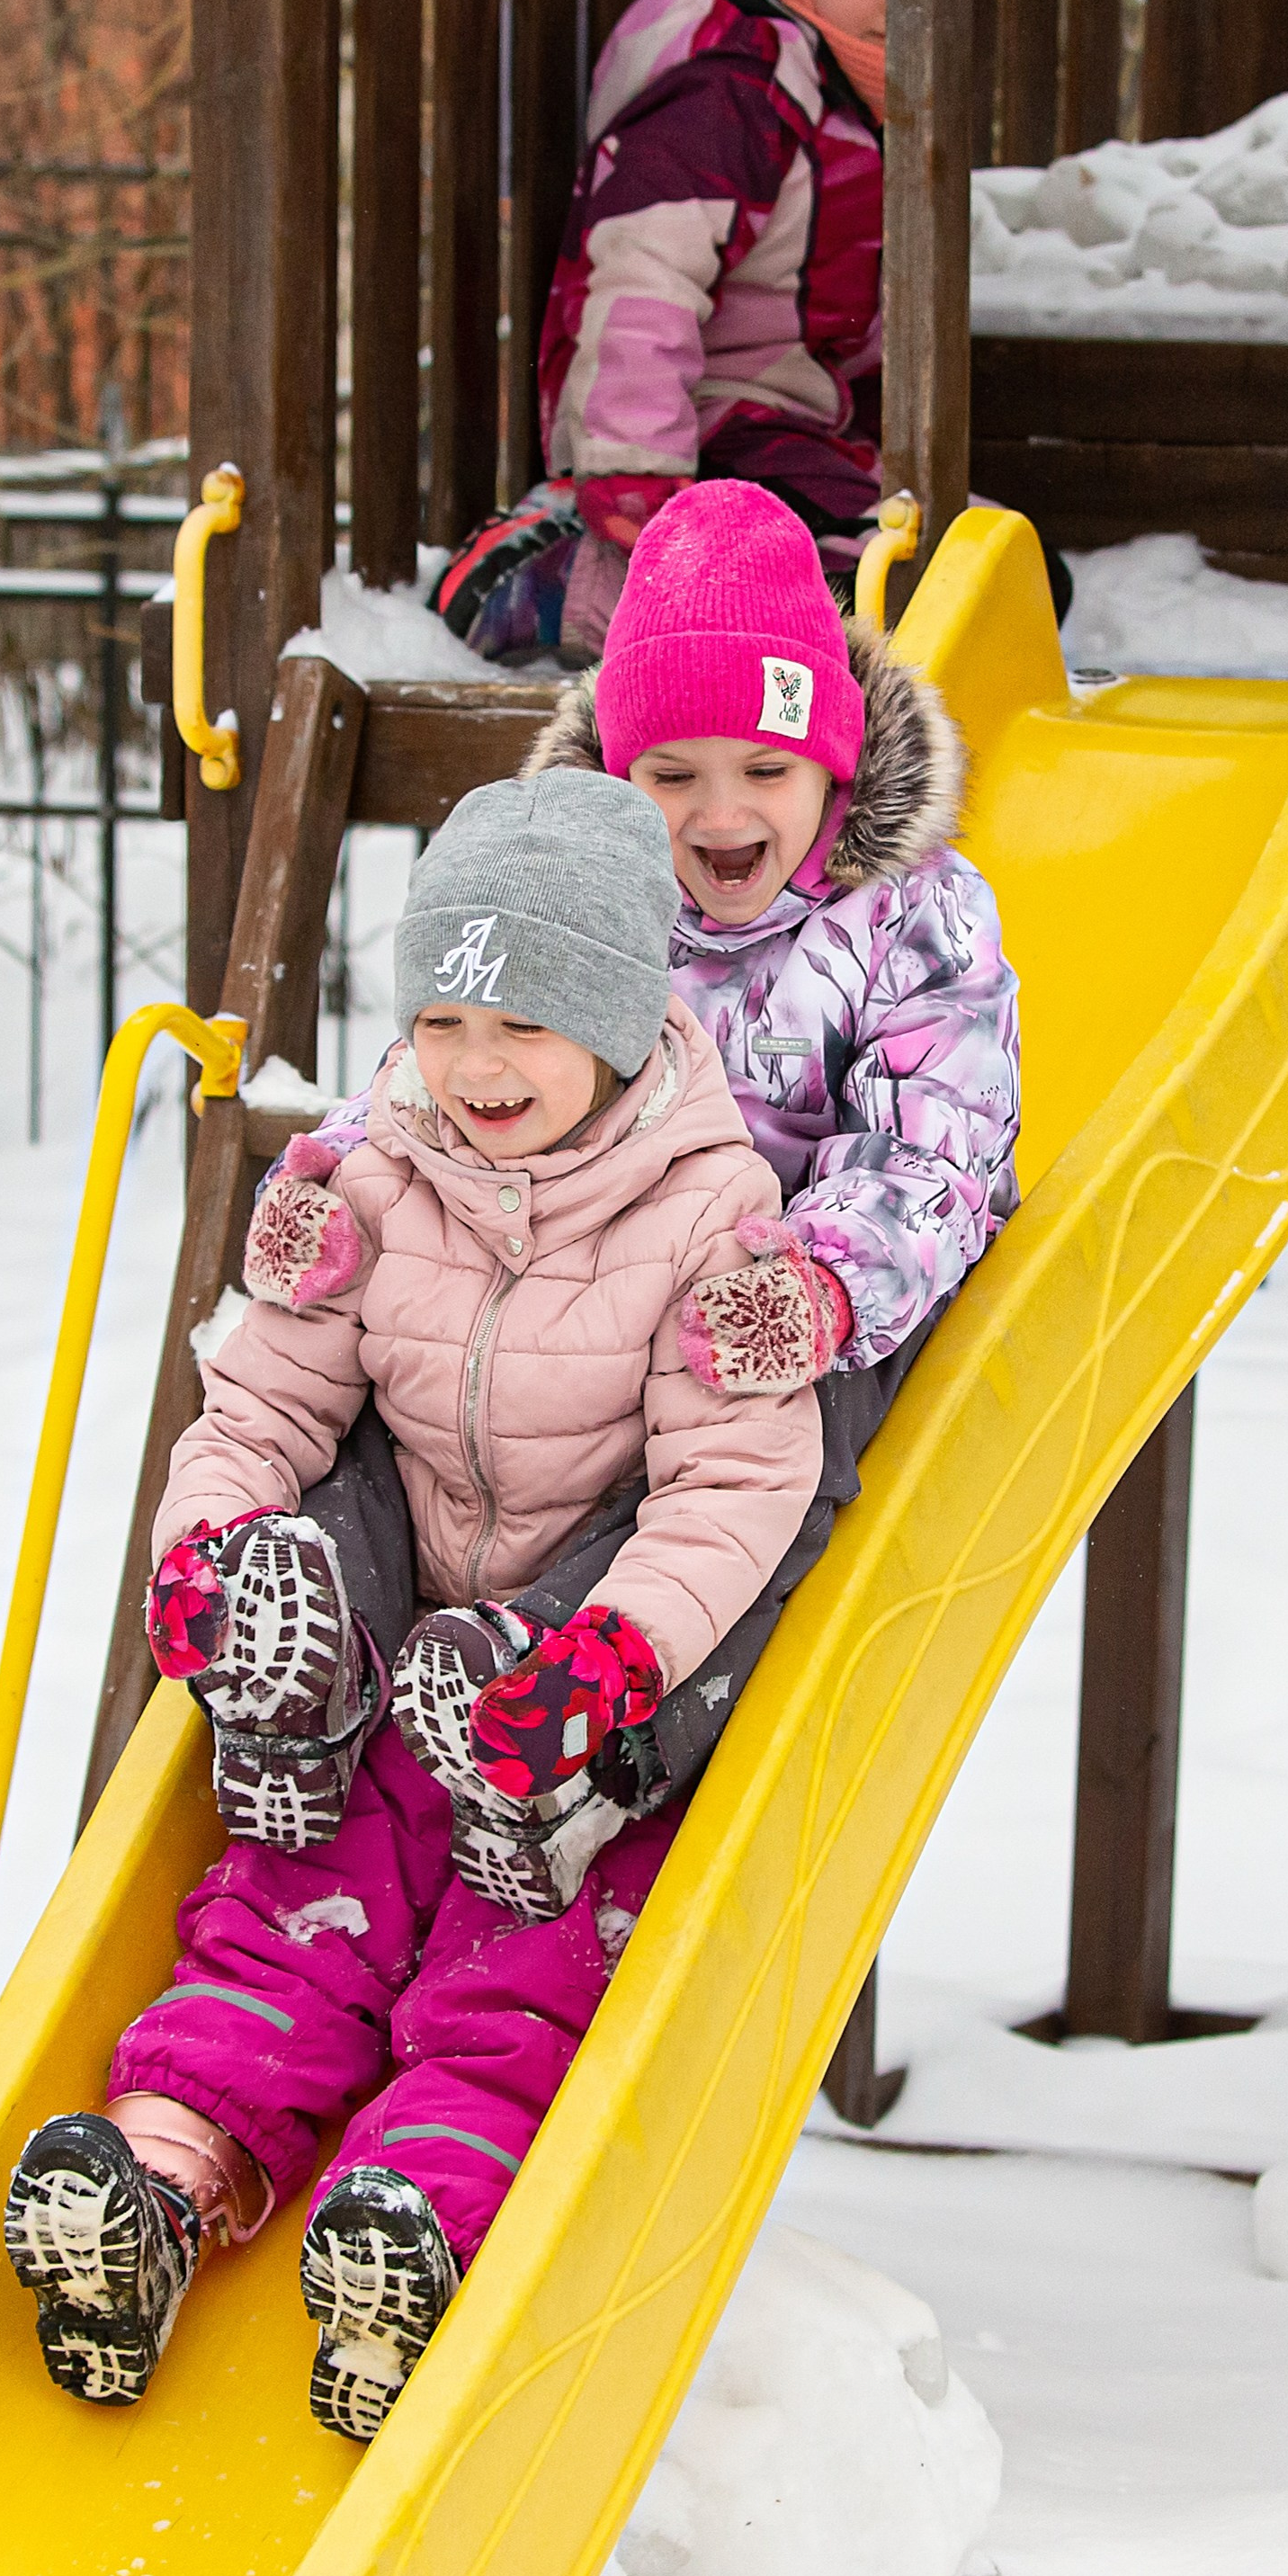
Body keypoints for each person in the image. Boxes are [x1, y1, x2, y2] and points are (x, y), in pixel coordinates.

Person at [4, 772, 824, 2440]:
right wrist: (205, 1535)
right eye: (441, 1014)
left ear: (610, 1009)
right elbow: (260, 1407)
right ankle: (159, 2183)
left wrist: (612, 1656)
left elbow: (735, 1485)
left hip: (572, 1713)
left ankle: (404, 2247)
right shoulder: (370, 1176)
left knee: (516, 1969)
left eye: (521, 1015)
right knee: (287, 1901)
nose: (473, 1063)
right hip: (395, 1681)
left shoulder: (711, 1214)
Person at [319, 478, 1021, 1784]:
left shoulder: (908, 915)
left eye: (764, 769)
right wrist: (347, 1165)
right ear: (614, 772)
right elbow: (463, 1050)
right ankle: (323, 1649)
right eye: (669, 775)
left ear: (830, 757)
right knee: (384, 1351)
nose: (716, 815)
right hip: (592, 1252)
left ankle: (574, 1681)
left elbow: (943, 1147)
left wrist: (812, 1282)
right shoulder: (589, 893)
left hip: (792, 1289)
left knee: (758, 1438)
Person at [434, 0, 908, 663]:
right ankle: (572, 581)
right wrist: (635, 469)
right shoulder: (730, 92)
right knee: (863, 591)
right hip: (702, 434)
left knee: (976, 571)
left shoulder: (837, 77)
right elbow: (643, 275)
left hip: (795, 430)